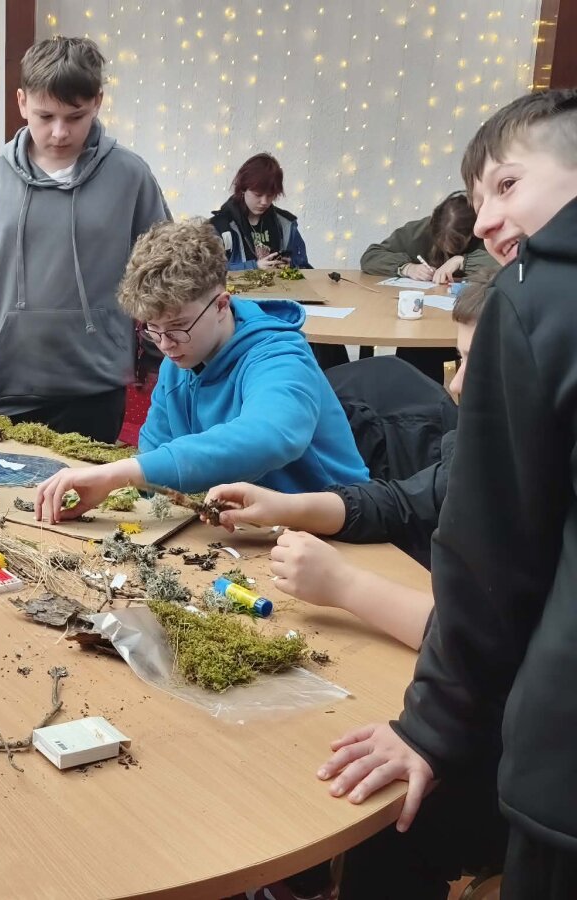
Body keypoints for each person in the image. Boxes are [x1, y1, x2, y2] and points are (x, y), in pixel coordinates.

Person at [318, 88, 577, 900]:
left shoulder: (535, 300)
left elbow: (491, 554)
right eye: (477, 200)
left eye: (507, 184)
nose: (489, 222)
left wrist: (429, 726)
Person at [203, 271, 492, 651]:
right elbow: (403, 502)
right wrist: (285, 506)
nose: (454, 384)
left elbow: (488, 646)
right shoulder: (488, 453)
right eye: (460, 359)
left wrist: (345, 585)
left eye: (479, 364)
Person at [34, 218, 367, 523]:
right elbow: (153, 455)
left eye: (178, 326)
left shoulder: (280, 356)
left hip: (337, 531)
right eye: (152, 328)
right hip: (247, 531)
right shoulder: (180, 360)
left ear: (221, 305)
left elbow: (269, 435)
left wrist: (121, 473)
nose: (165, 344)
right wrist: (119, 484)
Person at [0, 35, 170, 443]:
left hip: (96, 388)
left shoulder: (130, 176)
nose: (59, 132)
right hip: (2, 388)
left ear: (97, 102)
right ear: (22, 102)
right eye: (45, 116)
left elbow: (162, 275)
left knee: (86, 487)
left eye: (75, 117)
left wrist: (166, 356)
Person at [360, 191, 497, 285]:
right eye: (440, 240)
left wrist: (462, 261)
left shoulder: (488, 234)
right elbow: (370, 256)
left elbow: (508, 266)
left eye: (456, 243)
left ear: (473, 232)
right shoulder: (419, 231)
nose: (447, 248)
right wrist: (407, 268)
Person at [209, 152, 311, 271]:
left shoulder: (286, 224)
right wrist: (254, 266)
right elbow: (208, 271)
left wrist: (292, 265)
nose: (264, 202)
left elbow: (304, 266)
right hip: (236, 284)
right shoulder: (220, 225)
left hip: (278, 283)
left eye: (270, 195)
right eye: (258, 194)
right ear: (243, 189)